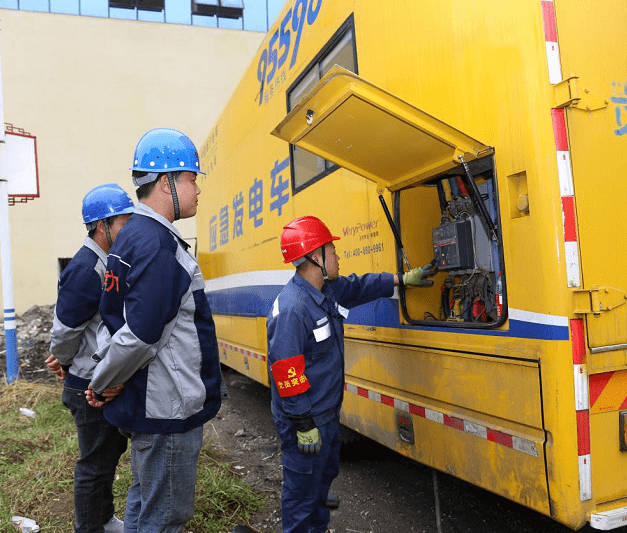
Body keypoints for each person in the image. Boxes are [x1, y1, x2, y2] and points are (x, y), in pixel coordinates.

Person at [85, 128, 224, 533]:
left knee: (146, 502)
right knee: (164, 518)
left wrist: (106, 378)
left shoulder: (130, 239)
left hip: (148, 400)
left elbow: (111, 322)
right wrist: (102, 381)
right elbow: (142, 335)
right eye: (192, 179)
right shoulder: (159, 246)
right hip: (166, 407)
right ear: (167, 183)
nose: (197, 190)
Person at [266, 215, 435, 533]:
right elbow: (286, 372)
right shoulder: (292, 309)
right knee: (301, 496)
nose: (338, 256)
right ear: (316, 257)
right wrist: (303, 424)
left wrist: (401, 279)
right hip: (306, 423)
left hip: (326, 417)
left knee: (321, 484)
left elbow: (359, 286)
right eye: (332, 250)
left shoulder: (324, 290)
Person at [46, 183, 135, 533]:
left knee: (107, 456)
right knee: (94, 464)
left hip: (94, 377)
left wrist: (63, 357)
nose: (128, 229)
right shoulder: (86, 269)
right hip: (86, 384)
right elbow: (65, 331)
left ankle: (103, 519)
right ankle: (89, 527)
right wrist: (62, 361)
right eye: (123, 223)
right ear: (103, 226)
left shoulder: (103, 263)